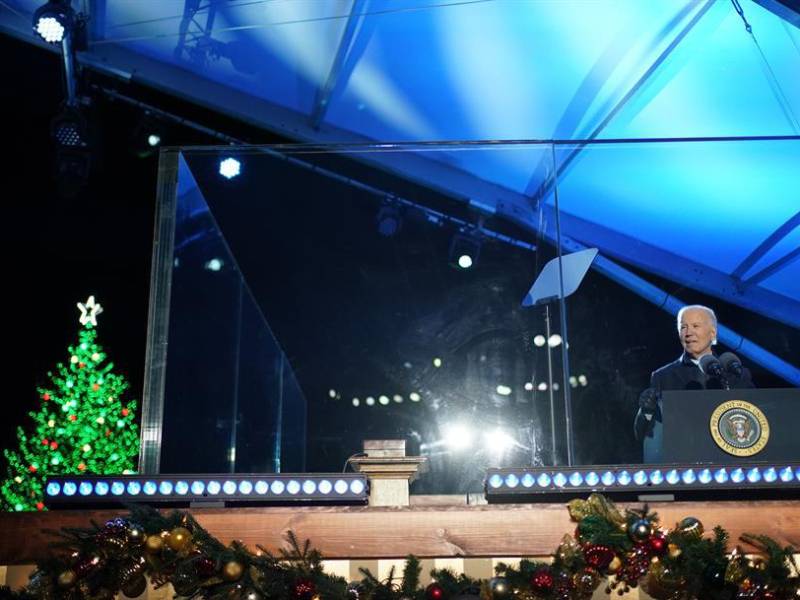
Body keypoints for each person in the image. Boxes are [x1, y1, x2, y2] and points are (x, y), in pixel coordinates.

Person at [634, 305, 754, 460]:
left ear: (713, 333)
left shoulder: (735, 373)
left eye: (695, 326)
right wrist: (647, 411)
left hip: (731, 464)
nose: (688, 333)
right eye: (683, 327)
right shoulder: (663, 376)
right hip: (683, 467)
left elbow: (757, 419)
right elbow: (644, 434)